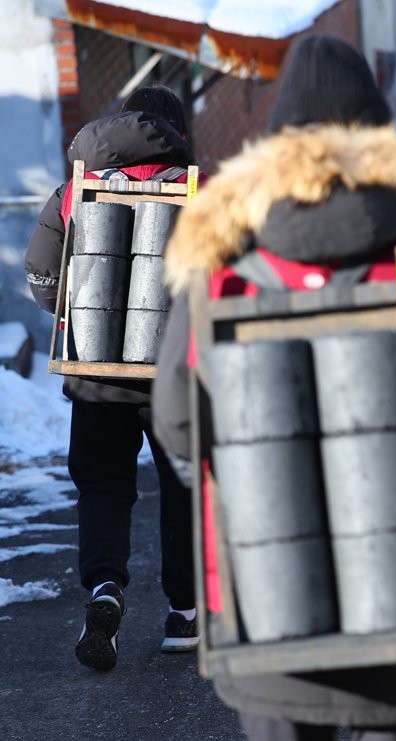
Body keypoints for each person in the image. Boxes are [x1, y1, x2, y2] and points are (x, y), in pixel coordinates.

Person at [151, 35, 396, 740]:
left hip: (264, 598)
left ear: (275, 142)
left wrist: (258, 492)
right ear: (383, 135)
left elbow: (176, 419)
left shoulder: (220, 262)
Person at [24, 84, 203, 671]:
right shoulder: (199, 191)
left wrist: (84, 315)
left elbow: (42, 277)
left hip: (95, 367)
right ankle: (183, 613)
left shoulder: (73, 189)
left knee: (103, 486)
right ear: (175, 130)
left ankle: (105, 589)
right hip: (176, 368)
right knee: (183, 486)